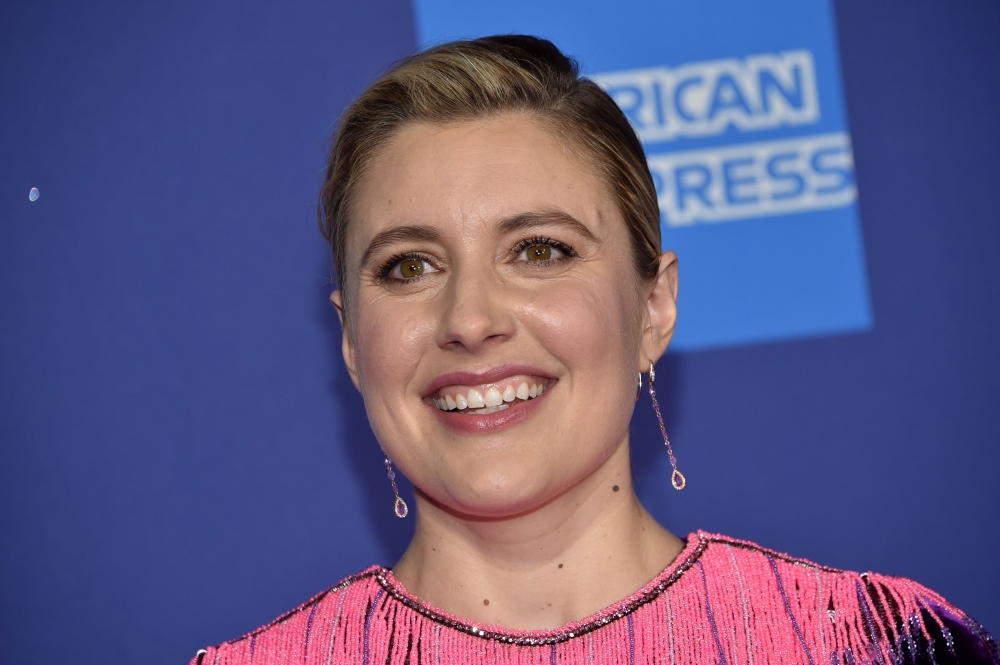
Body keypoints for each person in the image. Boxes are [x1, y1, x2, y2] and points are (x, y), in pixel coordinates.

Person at [191, 36, 997, 665]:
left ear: (654, 305)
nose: (470, 319)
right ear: (351, 341)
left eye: (539, 250)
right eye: (410, 265)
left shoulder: (873, 642)